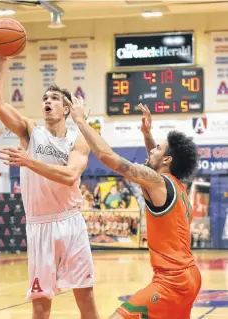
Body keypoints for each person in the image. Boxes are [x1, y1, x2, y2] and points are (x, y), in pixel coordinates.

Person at [0, 56, 99, 319]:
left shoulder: (79, 140)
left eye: (54, 98)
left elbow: (71, 175)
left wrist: (28, 161)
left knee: (86, 296)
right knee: (41, 304)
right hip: (39, 225)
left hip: (71, 223)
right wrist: (1, 59)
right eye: (45, 98)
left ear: (67, 109)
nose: (47, 101)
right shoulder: (30, 131)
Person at [69, 98, 201, 319]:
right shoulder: (178, 186)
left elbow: (107, 157)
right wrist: (148, 136)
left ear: (167, 159)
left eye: (157, 148)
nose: (152, 150)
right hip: (191, 276)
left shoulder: (157, 182)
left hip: (171, 281)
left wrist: (81, 121)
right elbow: (156, 166)